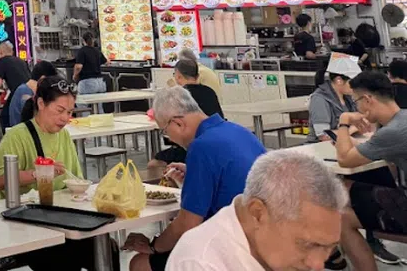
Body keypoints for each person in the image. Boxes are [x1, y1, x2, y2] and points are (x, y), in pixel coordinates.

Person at [123, 85, 266, 271]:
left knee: (139, 263)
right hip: (264, 237)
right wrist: (193, 174)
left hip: (236, 248)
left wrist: (153, 246)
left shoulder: (201, 147)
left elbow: (187, 225)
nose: (169, 139)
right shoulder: (238, 131)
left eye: (165, 131)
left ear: (178, 123)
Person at [166, 150, 373, 271]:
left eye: (330, 248)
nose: (318, 265)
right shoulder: (203, 262)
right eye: (308, 244)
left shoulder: (277, 251)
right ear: (258, 213)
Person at [0, 77, 99, 271]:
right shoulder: (17, 136)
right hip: (21, 222)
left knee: (104, 248)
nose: (65, 118)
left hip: (57, 217)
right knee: (64, 257)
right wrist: (36, 174)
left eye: (69, 112)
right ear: (41, 104)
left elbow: (76, 179)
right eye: (59, 110)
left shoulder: (64, 135)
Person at [333, 71, 407, 263]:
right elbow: (377, 147)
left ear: (367, 99)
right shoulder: (401, 120)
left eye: (356, 101)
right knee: (353, 188)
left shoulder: (392, 132)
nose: (356, 107)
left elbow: (344, 159)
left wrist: (344, 121)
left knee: (341, 217)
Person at [150, 57, 224, 167]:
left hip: (192, 145)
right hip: (215, 140)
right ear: (197, 76)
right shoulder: (209, 91)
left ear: (178, 76)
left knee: (154, 164)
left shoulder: (181, 96)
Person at [307, 53, 360, 143]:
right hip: (321, 147)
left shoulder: (348, 97)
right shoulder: (319, 99)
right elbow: (324, 136)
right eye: (353, 82)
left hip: (345, 143)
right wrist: (352, 129)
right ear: (339, 80)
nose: (356, 87)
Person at [7, 60, 57, 128]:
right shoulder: (25, 92)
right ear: (42, 79)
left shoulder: (26, 89)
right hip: (23, 132)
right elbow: (33, 119)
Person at [0, 42, 29, 129]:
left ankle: (9, 136)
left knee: (4, 118)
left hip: (17, 92)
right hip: (30, 90)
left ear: (0, 52)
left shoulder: (0, 62)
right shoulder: (21, 61)